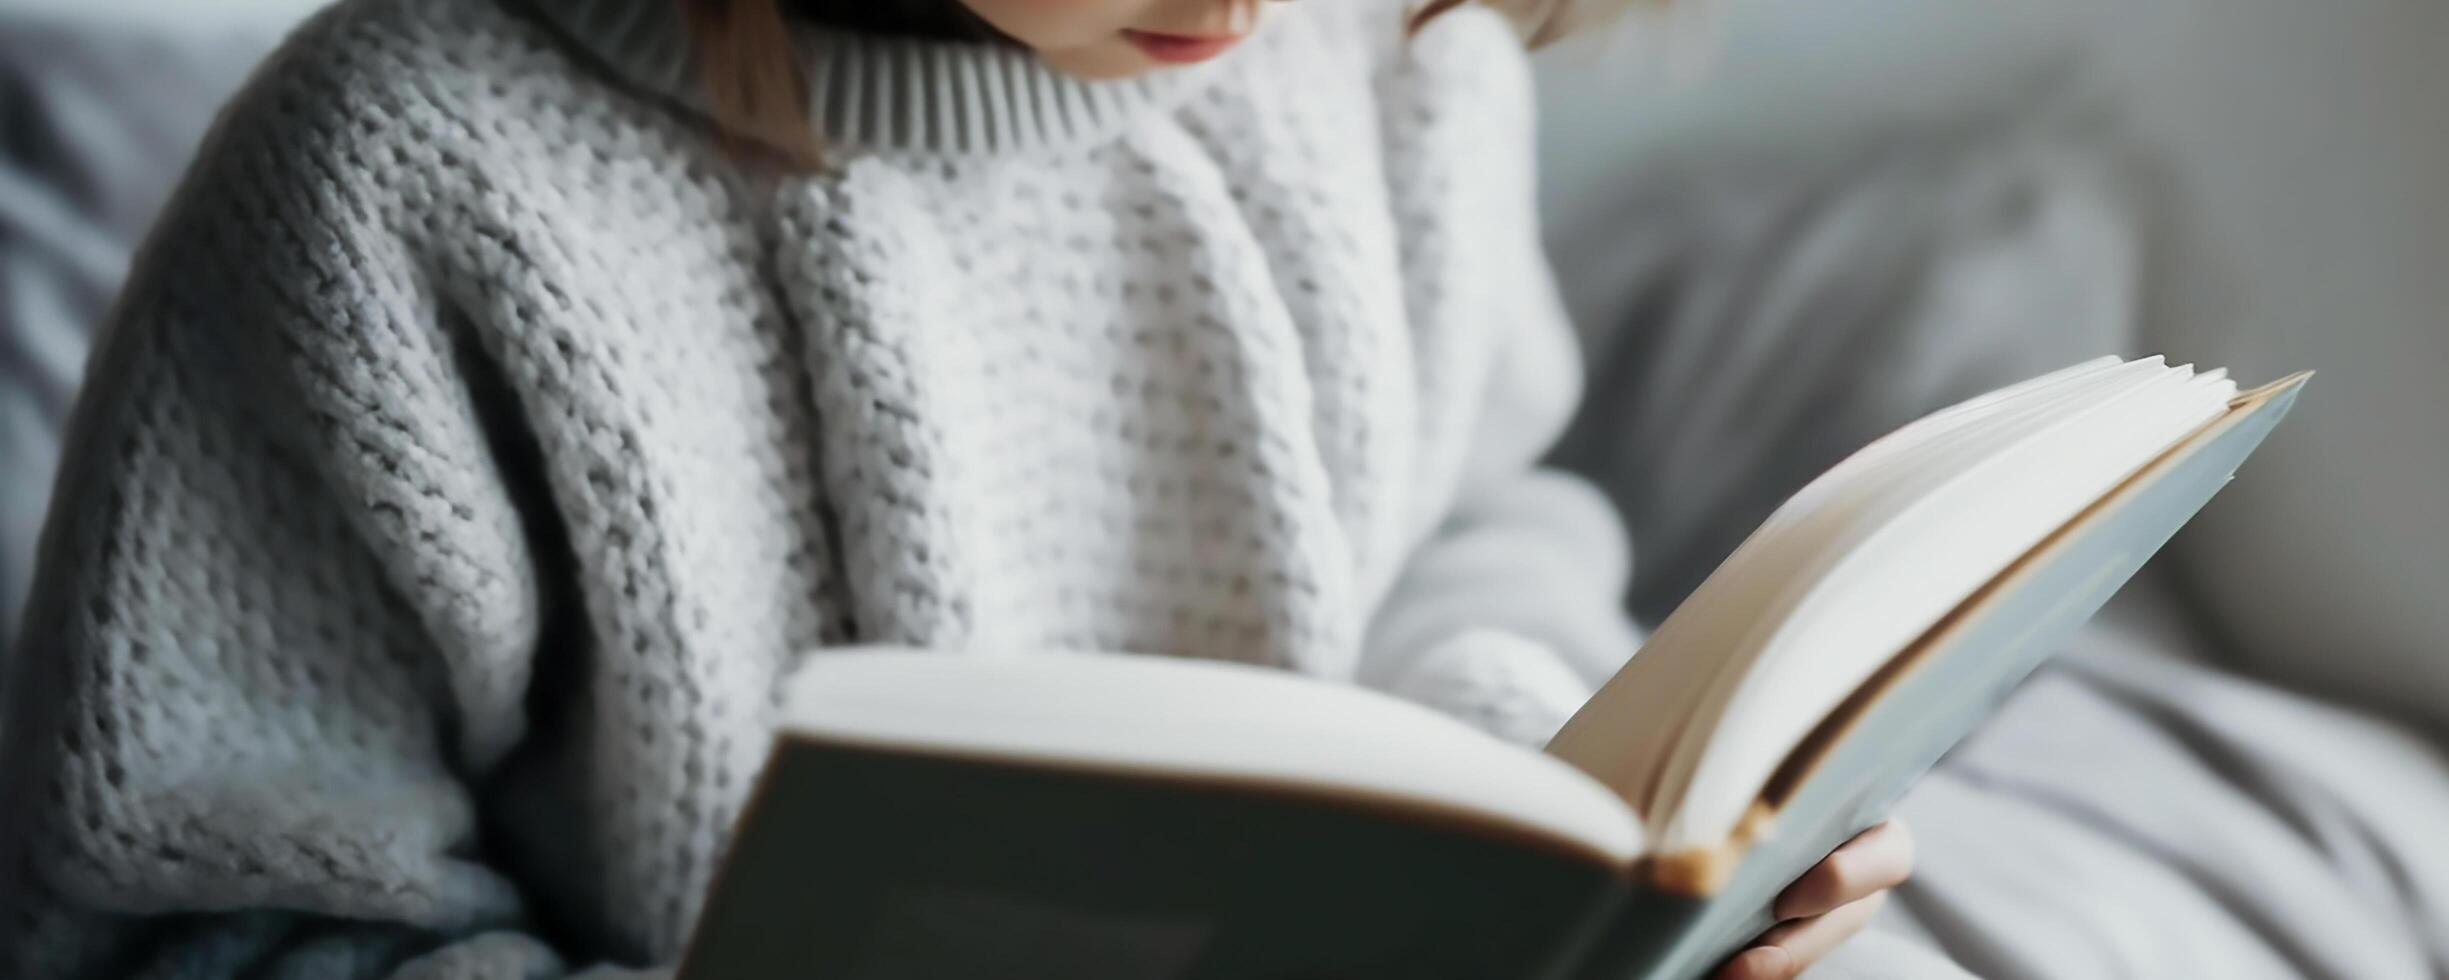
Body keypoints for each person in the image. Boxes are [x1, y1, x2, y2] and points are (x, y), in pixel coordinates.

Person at [0, 0, 1910, 977]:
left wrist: (1589, 848)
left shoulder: (1383, 62)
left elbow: (1469, 512)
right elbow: (198, 926)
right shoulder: (399, 183)